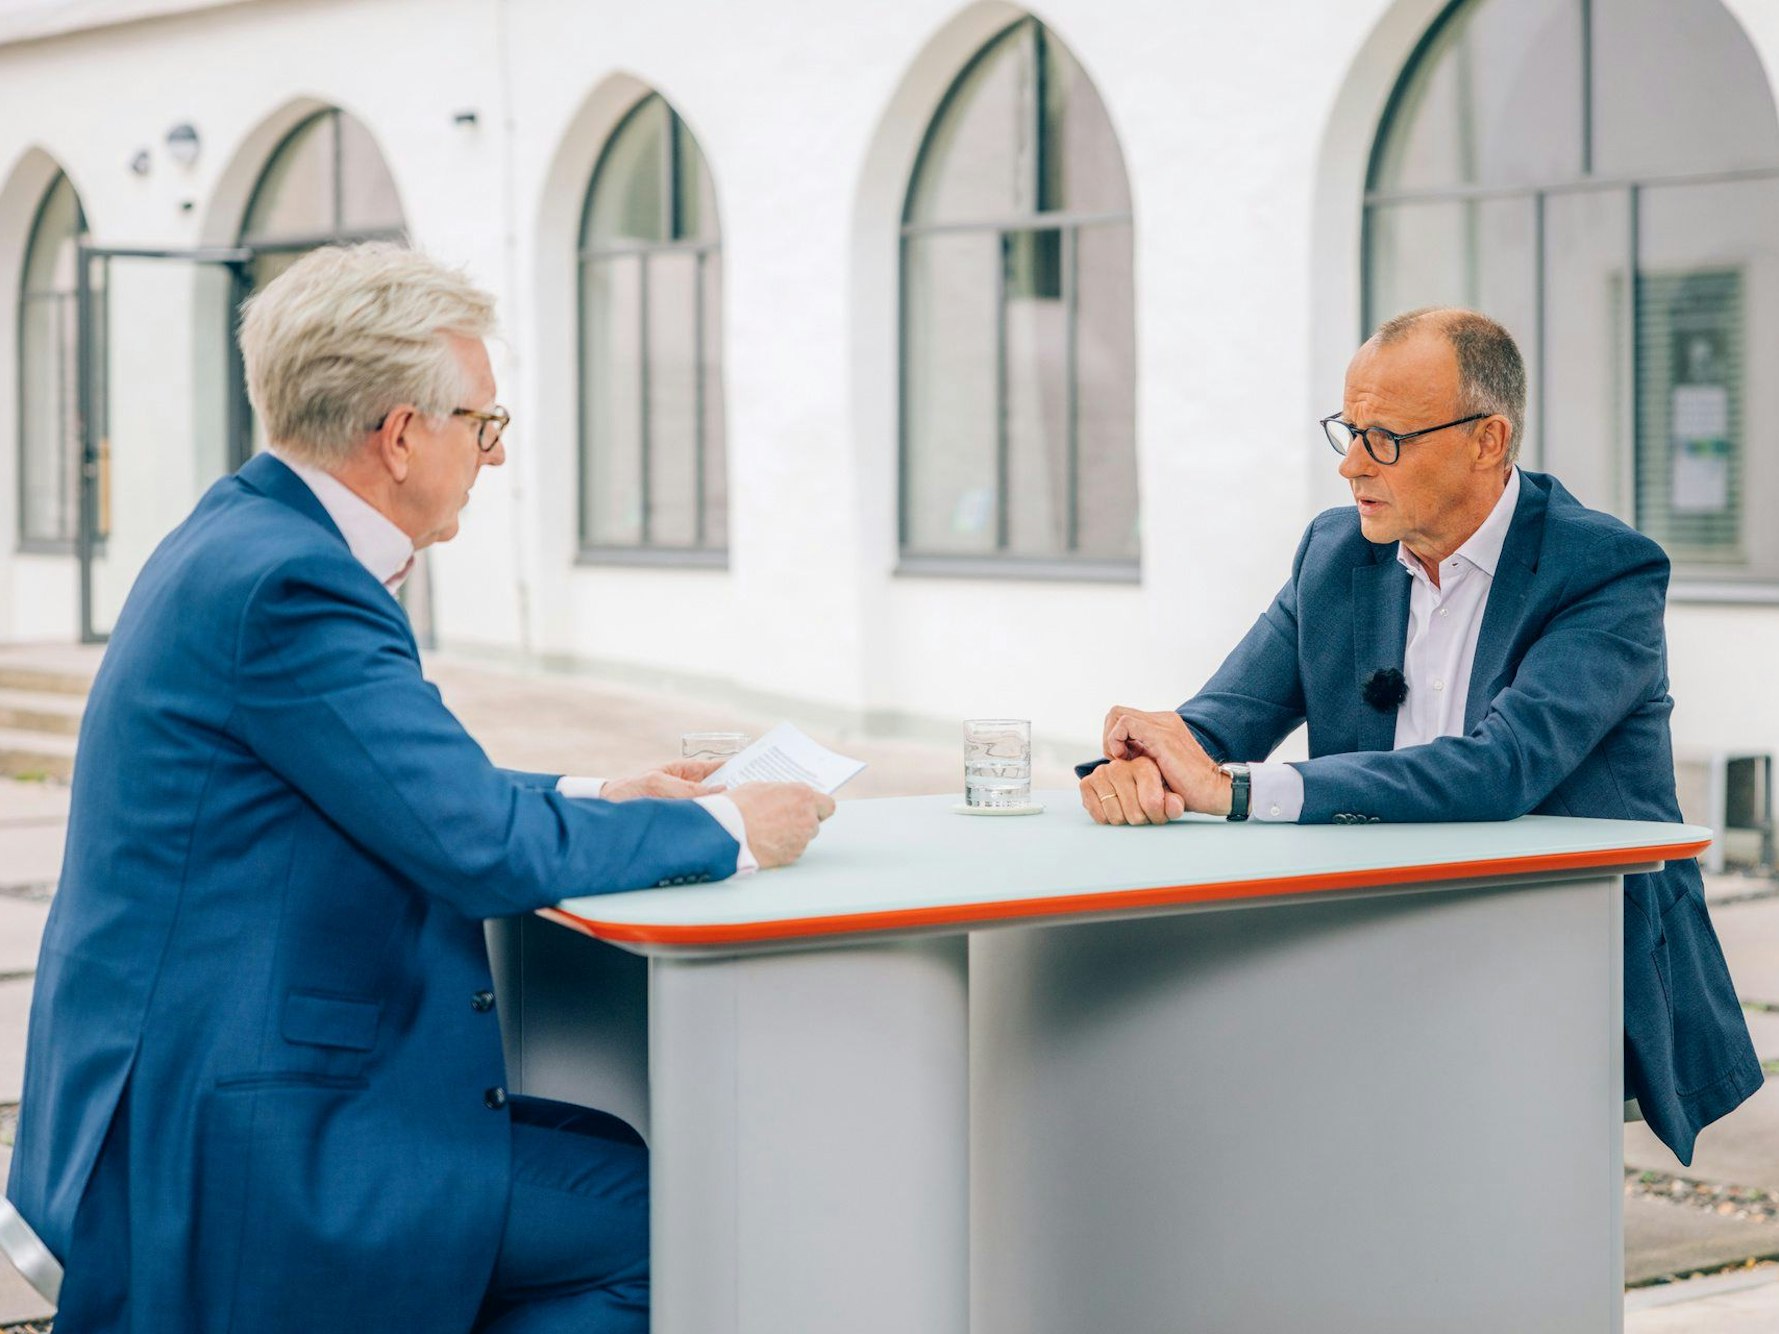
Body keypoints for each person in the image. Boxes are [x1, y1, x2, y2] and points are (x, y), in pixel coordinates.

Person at [6, 242, 834, 1333]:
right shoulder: (294, 582)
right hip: (242, 1129)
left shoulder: (241, 531)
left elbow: (392, 781)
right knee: (667, 1225)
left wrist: (601, 787)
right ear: (401, 435)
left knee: (610, 1168)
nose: (493, 457)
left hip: (188, 1085)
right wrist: (729, 826)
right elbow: (478, 846)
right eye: (483, 425)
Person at [1079, 307, 1759, 1166]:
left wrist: (1236, 789)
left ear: (1487, 441)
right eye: (1348, 430)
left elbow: (1500, 770)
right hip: (1372, 942)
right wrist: (1139, 758)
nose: (1350, 464)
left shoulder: (1605, 573)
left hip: (1569, 962)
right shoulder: (1334, 554)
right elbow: (1215, 723)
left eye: (1385, 438)